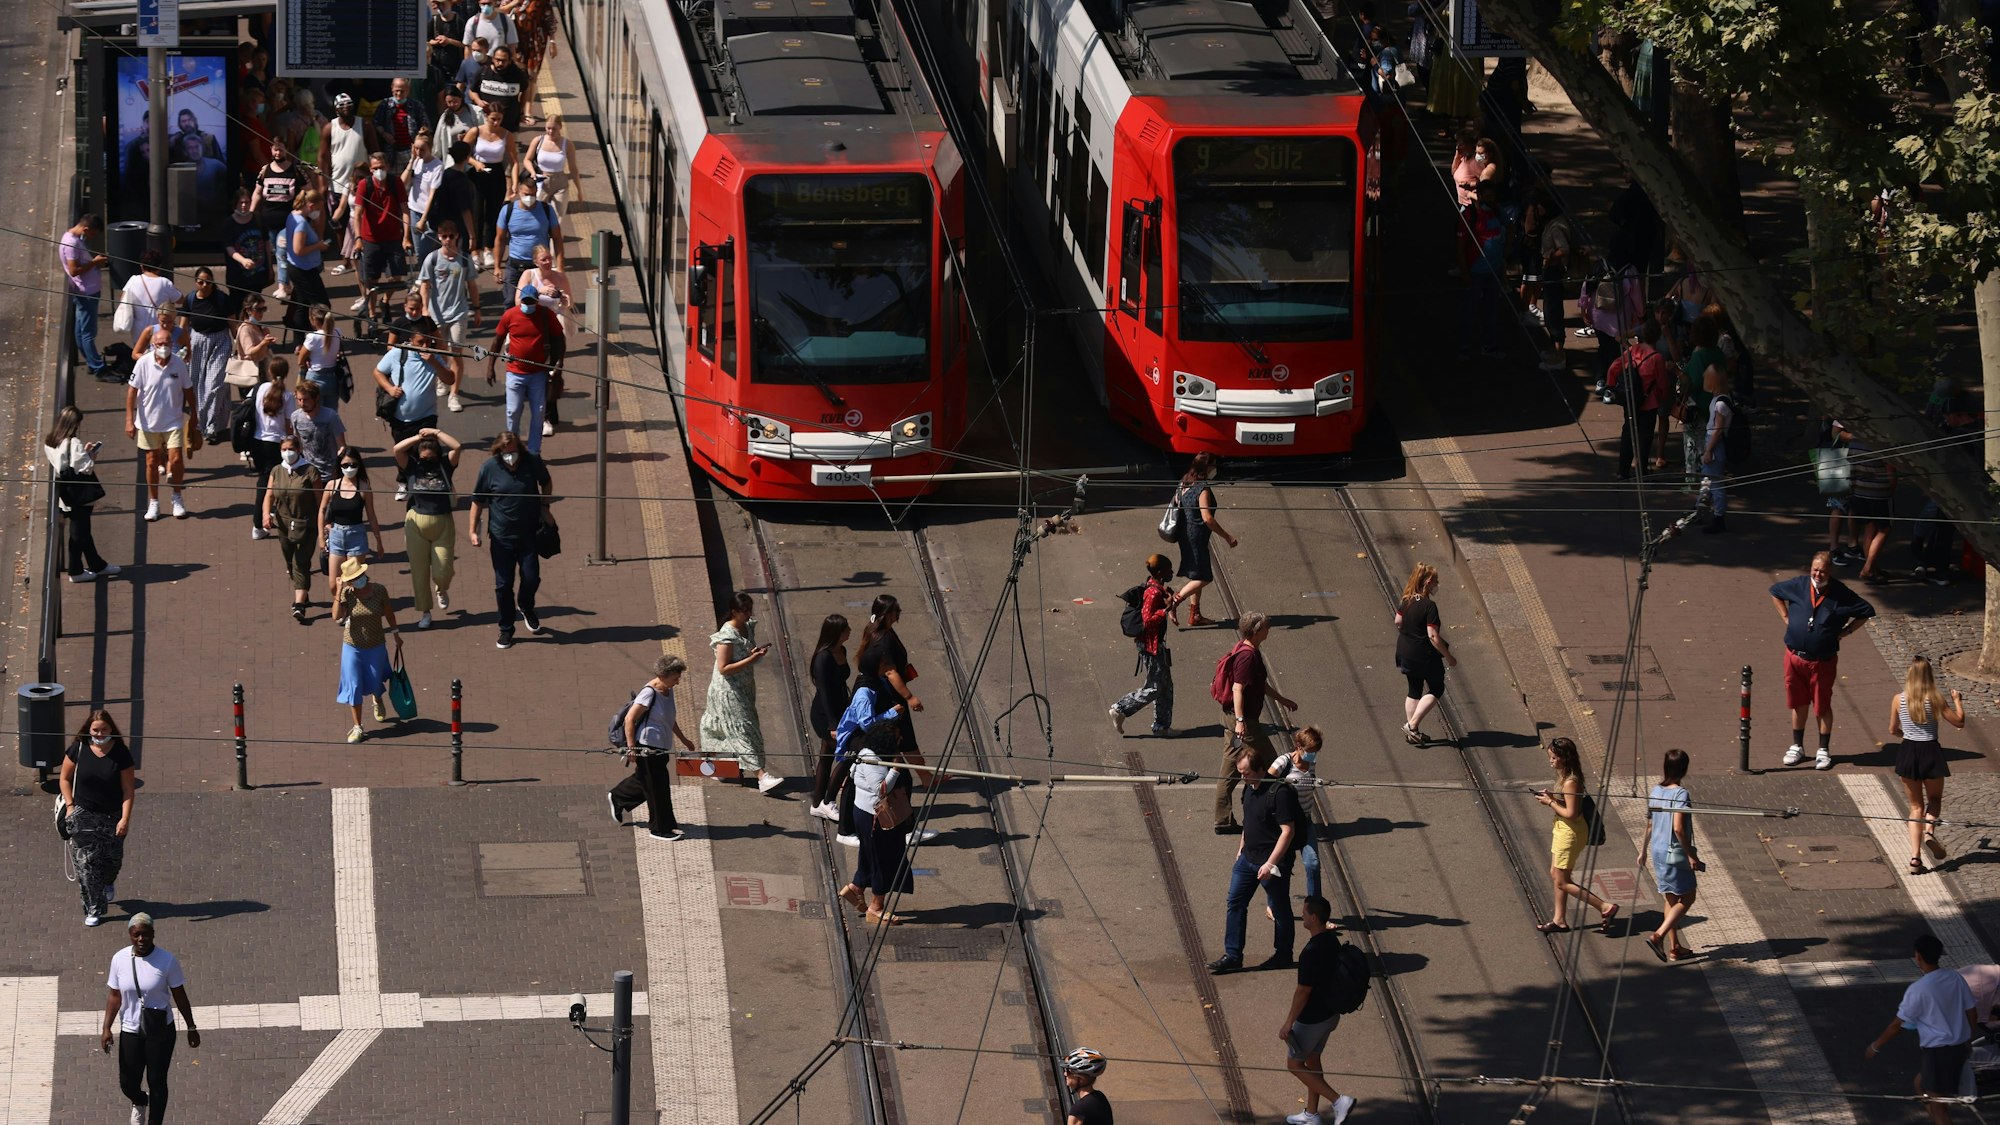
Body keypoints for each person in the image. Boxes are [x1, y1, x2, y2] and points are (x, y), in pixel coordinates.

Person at [1208, 740, 1306, 973]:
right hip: (1247, 859)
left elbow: (1288, 831)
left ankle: (1283, 954)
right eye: (1241, 773)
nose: (1243, 777)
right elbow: (1248, 822)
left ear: (1261, 769)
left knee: (1280, 909)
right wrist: (1241, 848)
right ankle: (1232, 955)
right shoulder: (1249, 789)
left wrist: (1270, 863)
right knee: (1235, 903)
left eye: (1247, 773)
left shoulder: (1279, 793)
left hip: (1271, 863)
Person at [1771, 551, 1876, 770]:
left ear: (1831, 572)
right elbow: (1775, 592)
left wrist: (1846, 632)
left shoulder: (1840, 593)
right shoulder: (1799, 585)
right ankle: (1797, 746)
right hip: (1794, 657)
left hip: (1822, 662)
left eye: (1823, 571)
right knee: (1798, 702)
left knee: (1821, 705)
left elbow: (1867, 611)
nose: (1818, 575)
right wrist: (1785, 618)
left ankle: (1823, 749)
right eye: (1815, 570)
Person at [1867, 934, 1977, 1125]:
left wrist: (1875, 1046)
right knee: (1920, 1084)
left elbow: (1896, 1025)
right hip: (1959, 1048)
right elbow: (1972, 1011)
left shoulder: (1918, 989)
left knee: (1938, 1106)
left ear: (1918, 956)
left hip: (1938, 1053)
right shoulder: (1955, 978)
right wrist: (1968, 1039)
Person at [100, 913, 200, 1124]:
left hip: (160, 1030)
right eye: (136, 935)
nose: (141, 939)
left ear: (153, 934)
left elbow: (180, 995)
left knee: (157, 1081)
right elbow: (114, 996)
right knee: (127, 1082)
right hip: (130, 1030)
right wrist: (106, 1028)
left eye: (145, 934)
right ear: (130, 935)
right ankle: (139, 1101)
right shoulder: (119, 959)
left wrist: (191, 1027)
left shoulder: (167, 961)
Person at [1213, 611, 1297, 834]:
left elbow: (1259, 684)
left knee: (1230, 769)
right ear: (1257, 631)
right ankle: (1278, 815)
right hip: (1244, 723)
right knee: (1274, 766)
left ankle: (1223, 820)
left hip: (1237, 720)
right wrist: (1241, 722)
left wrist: (1282, 699)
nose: (1269, 630)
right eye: (1267, 627)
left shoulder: (1246, 648)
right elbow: (1237, 688)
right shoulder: (1247, 656)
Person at [841, 721, 932, 925]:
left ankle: (856, 888)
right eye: (896, 739)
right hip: (875, 818)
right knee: (883, 860)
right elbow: (880, 790)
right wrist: (896, 769)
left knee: (869, 855)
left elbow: (853, 775)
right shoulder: (871, 760)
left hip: (864, 814)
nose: (900, 741)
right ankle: (876, 907)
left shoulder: (865, 752)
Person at [467, 429, 551, 649]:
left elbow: (546, 482)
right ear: (498, 451)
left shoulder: (531, 461)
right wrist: (473, 531)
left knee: (531, 577)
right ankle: (506, 629)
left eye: (513, 452)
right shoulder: (489, 468)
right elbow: (477, 501)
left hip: (529, 535)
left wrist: (544, 506)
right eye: (505, 452)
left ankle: (526, 605)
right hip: (501, 538)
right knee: (503, 585)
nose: (510, 456)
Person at [1280, 896, 1357, 1125]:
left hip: (1312, 1019)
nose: (1302, 915)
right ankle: (1311, 1114)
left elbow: (1303, 990)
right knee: (1312, 1060)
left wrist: (1288, 1022)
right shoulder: (1331, 940)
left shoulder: (1311, 951)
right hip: (1330, 1014)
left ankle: (1339, 1101)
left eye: (1304, 913)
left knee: (1294, 1064)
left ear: (1313, 918)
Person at [1533, 736, 1619, 934]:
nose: (1551, 761)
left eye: (1554, 758)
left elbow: (1572, 814)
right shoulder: (1567, 775)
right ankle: (1559, 920)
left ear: (1565, 758)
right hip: (1563, 830)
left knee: (1562, 881)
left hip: (1569, 833)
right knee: (1557, 875)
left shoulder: (1571, 781)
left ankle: (1605, 907)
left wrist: (1550, 803)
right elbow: (1571, 804)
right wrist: (1554, 798)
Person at [1891, 656, 1966, 875]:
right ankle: (1930, 832)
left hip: (1908, 751)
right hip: (1930, 751)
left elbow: (1892, 729)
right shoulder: (1935, 699)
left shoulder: (1898, 699)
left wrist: (1905, 734)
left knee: (1915, 807)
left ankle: (1915, 859)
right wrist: (1958, 700)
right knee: (1934, 799)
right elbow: (1959, 721)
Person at [60, 709, 136, 925]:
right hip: (83, 815)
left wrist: (125, 819)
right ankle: (94, 908)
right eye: (96, 730)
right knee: (86, 864)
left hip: (112, 816)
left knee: (111, 861)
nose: (100, 733)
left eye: (104, 729)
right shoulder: (78, 749)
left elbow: (128, 789)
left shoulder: (121, 753)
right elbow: (64, 779)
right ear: (88, 730)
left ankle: (107, 882)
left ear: (111, 729)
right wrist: (70, 805)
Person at [608, 655, 696, 840]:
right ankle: (659, 829)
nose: (678, 682)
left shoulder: (668, 689)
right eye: (675, 678)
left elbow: (669, 719)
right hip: (647, 747)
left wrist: (684, 739)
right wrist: (632, 749)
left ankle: (618, 797)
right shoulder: (649, 693)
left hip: (661, 746)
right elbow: (629, 720)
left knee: (645, 780)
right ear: (663, 675)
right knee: (658, 788)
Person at [702, 592, 782, 792]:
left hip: (744, 687)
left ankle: (718, 767)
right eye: (744, 610)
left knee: (722, 727)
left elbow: (743, 656)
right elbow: (723, 668)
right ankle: (761, 776)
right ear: (734, 612)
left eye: (749, 609)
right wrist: (751, 660)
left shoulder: (746, 627)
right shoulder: (727, 636)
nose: (748, 613)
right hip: (728, 691)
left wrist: (753, 654)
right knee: (741, 730)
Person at [393, 427, 463, 628]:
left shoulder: (445, 465)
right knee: (419, 571)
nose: (427, 461)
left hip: (442, 522)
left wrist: (437, 433)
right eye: (424, 457)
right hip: (416, 523)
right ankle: (425, 612)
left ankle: (441, 588)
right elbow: (397, 450)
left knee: (443, 570)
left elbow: (457, 446)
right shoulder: (412, 466)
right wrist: (418, 437)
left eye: (431, 457)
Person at [485, 282, 564, 453]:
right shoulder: (509, 315)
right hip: (515, 373)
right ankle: (513, 448)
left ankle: (534, 450)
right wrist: (490, 366)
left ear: (537, 301)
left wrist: (559, 364)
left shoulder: (546, 315)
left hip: (539, 374)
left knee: (539, 413)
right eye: (525, 302)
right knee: (513, 412)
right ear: (520, 300)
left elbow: (559, 338)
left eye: (531, 302)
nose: (528, 305)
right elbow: (497, 340)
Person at [1639, 748, 1701, 961]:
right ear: (1684, 769)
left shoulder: (1656, 791)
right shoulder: (1680, 794)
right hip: (1674, 852)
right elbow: (1678, 828)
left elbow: (1649, 824)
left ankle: (1675, 947)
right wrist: (1691, 854)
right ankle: (1658, 936)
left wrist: (1642, 851)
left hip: (1657, 850)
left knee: (1671, 898)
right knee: (1689, 896)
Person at [126, 331, 195, 522]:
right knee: (151, 462)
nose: (163, 347)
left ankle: (177, 496)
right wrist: (129, 419)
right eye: (159, 344)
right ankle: (154, 501)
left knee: (176, 459)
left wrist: (195, 416)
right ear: (153, 345)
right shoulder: (143, 364)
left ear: (171, 343)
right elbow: (132, 392)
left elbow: (188, 390)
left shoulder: (179, 364)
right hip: (148, 422)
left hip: (173, 421)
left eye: (166, 343)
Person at [45, 406, 119, 582]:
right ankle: (76, 571)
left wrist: (83, 455)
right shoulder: (73, 443)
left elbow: (65, 463)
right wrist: (91, 455)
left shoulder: (50, 440)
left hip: (65, 492)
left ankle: (97, 564)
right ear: (74, 424)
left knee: (82, 531)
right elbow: (86, 468)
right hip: (79, 494)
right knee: (79, 532)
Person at [332, 557, 402, 743]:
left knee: (375, 679)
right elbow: (336, 616)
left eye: (359, 576)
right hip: (352, 646)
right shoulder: (348, 594)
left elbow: (388, 612)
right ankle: (358, 726)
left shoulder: (379, 590)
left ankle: (377, 699)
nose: (358, 580)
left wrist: (396, 634)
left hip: (376, 644)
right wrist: (339, 590)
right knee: (354, 685)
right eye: (354, 578)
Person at [375, 318, 448, 494]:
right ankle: (403, 482)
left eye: (427, 341)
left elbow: (450, 379)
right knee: (402, 452)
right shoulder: (397, 354)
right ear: (410, 341)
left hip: (426, 416)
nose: (424, 346)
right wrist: (390, 389)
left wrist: (434, 362)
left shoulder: (434, 356)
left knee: (427, 452)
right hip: (400, 418)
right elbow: (378, 372)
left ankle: (429, 483)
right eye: (419, 342)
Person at [1109, 553, 1177, 736]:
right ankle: (1121, 708)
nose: (1172, 572)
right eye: (1169, 569)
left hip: (1156, 645)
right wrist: (1165, 610)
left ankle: (1162, 727)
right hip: (1151, 647)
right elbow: (1147, 621)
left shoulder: (1156, 587)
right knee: (1155, 687)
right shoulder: (1153, 592)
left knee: (1166, 686)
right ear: (1161, 572)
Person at [856, 593, 924, 771]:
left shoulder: (876, 630)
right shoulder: (883, 640)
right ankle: (925, 776)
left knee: (898, 736)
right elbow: (890, 671)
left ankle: (925, 776)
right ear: (887, 614)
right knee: (903, 735)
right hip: (890, 693)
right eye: (896, 610)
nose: (899, 612)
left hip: (884, 690)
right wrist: (910, 698)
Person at [418, 220, 479, 412]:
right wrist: (425, 310)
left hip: (458, 314)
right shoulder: (432, 259)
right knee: (439, 351)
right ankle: (442, 380)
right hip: (436, 315)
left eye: (451, 236)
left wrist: (477, 308)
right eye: (444, 236)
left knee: (455, 353)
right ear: (439, 237)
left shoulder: (464, 259)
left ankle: (454, 394)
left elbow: (472, 286)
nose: (447, 240)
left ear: (457, 237)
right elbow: (425, 285)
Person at [1393, 562, 1455, 746]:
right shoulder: (1429, 606)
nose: (1437, 584)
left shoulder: (1406, 600)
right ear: (1428, 582)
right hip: (1423, 655)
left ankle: (1413, 732)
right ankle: (1411, 726)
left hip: (1404, 651)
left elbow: (1398, 621)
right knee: (1437, 687)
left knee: (1414, 689)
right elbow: (1433, 636)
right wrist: (1449, 657)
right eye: (1436, 581)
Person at [319, 93, 380, 279]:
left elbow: (374, 150)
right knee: (339, 225)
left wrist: (376, 176)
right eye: (342, 106)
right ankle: (345, 260)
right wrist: (323, 182)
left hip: (362, 184)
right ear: (336, 109)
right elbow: (323, 156)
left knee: (366, 221)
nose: (346, 108)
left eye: (349, 105)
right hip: (337, 184)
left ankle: (368, 256)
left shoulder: (365, 125)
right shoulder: (329, 128)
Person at [514, 243, 573, 432]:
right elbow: (519, 300)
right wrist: (538, 293)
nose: (548, 262)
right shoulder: (529, 275)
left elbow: (570, 302)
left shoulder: (560, 276)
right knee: (540, 373)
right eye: (544, 259)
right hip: (535, 328)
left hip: (554, 329)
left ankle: (551, 411)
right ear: (536, 262)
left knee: (555, 371)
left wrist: (565, 301)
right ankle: (544, 417)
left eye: (549, 258)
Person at [264, 435, 323, 623]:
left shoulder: (310, 471)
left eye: (291, 448)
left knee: (301, 562)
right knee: (290, 562)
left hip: (307, 526)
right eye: (283, 449)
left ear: (298, 449)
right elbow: (269, 495)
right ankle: (303, 591)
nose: (287, 453)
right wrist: (266, 514)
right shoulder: (276, 470)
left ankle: (298, 605)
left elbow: (320, 501)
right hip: (283, 525)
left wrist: (324, 525)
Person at [1173, 452, 1236, 627]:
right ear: (1207, 468)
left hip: (1185, 534)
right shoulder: (1202, 489)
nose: (1215, 469)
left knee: (1197, 574)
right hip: (1197, 536)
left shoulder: (1185, 480)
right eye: (1214, 465)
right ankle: (1174, 601)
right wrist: (1227, 537)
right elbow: (1207, 518)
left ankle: (1195, 615)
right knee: (1205, 577)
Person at [1604, 320, 1670, 481]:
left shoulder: (1632, 350)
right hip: (1650, 403)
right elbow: (1662, 384)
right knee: (1645, 437)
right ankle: (1641, 471)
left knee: (1628, 433)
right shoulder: (1657, 358)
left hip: (1631, 400)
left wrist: (1611, 387)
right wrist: (1665, 398)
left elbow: (1614, 367)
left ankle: (1622, 471)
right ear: (1658, 337)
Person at [348, 151, 409, 321]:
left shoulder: (395, 183)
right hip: (371, 239)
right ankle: (373, 313)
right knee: (371, 281)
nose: (379, 171)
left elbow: (405, 211)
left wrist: (406, 237)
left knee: (396, 277)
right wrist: (358, 239)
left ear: (387, 167)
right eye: (375, 168)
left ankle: (386, 300)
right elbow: (358, 215)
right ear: (370, 169)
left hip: (392, 237)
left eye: (381, 167)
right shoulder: (364, 185)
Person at [319, 449, 386, 600]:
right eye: (345, 465)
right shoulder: (332, 485)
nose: (349, 468)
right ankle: (341, 608)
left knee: (352, 582)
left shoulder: (364, 487)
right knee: (333, 583)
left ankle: (351, 615)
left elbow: (372, 516)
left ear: (359, 465)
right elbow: (322, 511)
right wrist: (321, 538)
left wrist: (379, 541)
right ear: (340, 466)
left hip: (356, 537)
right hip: (336, 535)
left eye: (353, 464)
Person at [1268, 725, 1324, 900]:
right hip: (1284, 824)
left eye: (1316, 751)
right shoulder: (1282, 763)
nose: (1313, 754)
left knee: (1313, 864)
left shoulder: (1311, 762)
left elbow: (1307, 783)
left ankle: (1315, 909)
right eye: (1310, 750)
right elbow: (1266, 787)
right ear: (1299, 747)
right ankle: (1273, 904)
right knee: (1280, 867)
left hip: (1304, 822)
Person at [181, 268, 235, 444]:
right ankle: (199, 422)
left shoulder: (223, 299)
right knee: (195, 384)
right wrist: (182, 348)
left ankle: (211, 426)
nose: (205, 285)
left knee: (214, 384)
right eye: (201, 282)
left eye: (208, 282)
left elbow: (233, 325)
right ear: (195, 282)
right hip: (197, 342)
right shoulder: (190, 299)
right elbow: (183, 327)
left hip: (220, 341)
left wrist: (242, 348)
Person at [808, 614, 854, 820]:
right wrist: (832, 725)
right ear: (836, 632)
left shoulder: (841, 650)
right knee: (848, 754)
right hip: (825, 715)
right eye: (845, 629)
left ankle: (818, 803)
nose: (849, 631)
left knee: (826, 756)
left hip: (841, 711)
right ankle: (828, 801)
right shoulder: (823, 657)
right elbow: (824, 692)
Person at [245, 357, 295, 540]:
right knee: (273, 485)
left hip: (257, 442)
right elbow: (289, 425)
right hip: (277, 445)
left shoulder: (258, 389)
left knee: (264, 481)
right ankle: (261, 523)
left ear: (269, 372)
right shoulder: (288, 396)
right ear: (287, 373)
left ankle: (263, 520)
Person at [60, 211, 113, 381]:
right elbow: (74, 270)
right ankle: (98, 367)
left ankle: (92, 362)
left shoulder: (72, 238)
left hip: (84, 291)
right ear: (85, 229)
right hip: (87, 292)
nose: (91, 238)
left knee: (80, 330)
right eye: (92, 234)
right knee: (88, 333)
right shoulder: (72, 244)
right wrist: (95, 263)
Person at [493, 175, 563, 299]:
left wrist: (560, 267)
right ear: (518, 192)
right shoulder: (507, 210)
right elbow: (500, 239)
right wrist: (497, 267)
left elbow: (557, 238)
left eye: (533, 195)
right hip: (515, 267)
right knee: (511, 302)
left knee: (542, 303)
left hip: (540, 267)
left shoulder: (547, 210)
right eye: (526, 194)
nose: (529, 198)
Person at [463, 107, 516, 267]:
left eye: (499, 119)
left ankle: (488, 249)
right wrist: (475, 162)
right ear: (486, 116)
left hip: (496, 173)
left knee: (493, 213)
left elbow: (514, 161)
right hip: (477, 174)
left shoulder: (506, 134)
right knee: (476, 212)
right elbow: (462, 152)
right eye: (493, 118)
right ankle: (475, 250)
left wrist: (514, 183)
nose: (496, 122)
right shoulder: (476, 131)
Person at [282, 189, 333, 338]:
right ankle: (323, 337)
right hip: (303, 270)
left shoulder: (293, 215)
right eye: (318, 208)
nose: (318, 212)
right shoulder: (301, 224)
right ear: (310, 205)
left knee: (302, 305)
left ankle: (300, 340)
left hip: (297, 267)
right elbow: (299, 249)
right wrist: (319, 246)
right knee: (323, 306)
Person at [1848, 438, 1897, 582]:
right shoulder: (1881, 443)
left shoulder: (1854, 442)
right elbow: (1890, 471)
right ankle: (1868, 568)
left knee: (1869, 527)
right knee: (1885, 529)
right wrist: (1892, 488)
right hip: (1879, 492)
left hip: (1859, 491)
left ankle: (1873, 568)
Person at [523, 113, 583, 219]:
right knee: (537, 213)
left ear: (560, 127)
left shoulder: (567, 144)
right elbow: (527, 160)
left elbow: (573, 168)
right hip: (541, 181)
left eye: (554, 129)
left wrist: (579, 190)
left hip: (560, 182)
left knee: (558, 216)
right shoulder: (538, 140)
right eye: (548, 128)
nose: (550, 132)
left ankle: (554, 235)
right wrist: (532, 172)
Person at [224, 189, 273, 316]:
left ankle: (253, 330)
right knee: (238, 307)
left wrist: (270, 267)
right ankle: (239, 333)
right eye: (241, 203)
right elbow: (229, 248)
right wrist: (243, 260)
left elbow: (266, 243)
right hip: (238, 275)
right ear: (235, 204)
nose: (244, 205)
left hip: (257, 274)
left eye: (247, 202)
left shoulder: (258, 219)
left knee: (255, 306)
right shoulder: (229, 223)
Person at [403, 129, 447, 267]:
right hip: (414, 208)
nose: (418, 152)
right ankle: (424, 281)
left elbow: (432, 194)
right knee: (419, 251)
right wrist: (411, 161)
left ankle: (427, 281)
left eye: (422, 149)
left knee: (424, 251)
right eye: (416, 148)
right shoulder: (417, 162)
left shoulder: (437, 166)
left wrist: (423, 219)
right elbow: (402, 183)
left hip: (427, 213)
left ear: (430, 148)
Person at [1697, 364, 1733, 531]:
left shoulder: (1721, 403)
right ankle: (1700, 509)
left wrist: (1709, 450)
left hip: (1714, 443)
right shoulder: (1722, 398)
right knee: (1707, 480)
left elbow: (1717, 430)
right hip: (1712, 441)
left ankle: (1719, 518)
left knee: (1715, 483)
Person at [289, 379, 347, 480]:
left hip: (330, 474)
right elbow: (298, 444)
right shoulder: (295, 417)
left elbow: (341, 446)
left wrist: (339, 466)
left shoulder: (331, 416)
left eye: (306, 399)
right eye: (299, 400)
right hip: (308, 474)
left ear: (316, 398)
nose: (302, 404)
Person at [372, 77, 430, 171]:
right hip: (391, 152)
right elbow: (375, 123)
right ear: (392, 89)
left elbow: (425, 126)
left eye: (402, 91)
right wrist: (384, 134)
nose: (399, 94)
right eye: (397, 90)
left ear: (408, 90)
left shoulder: (416, 106)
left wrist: (419, 136)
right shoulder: (384, 105)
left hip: (411, 151)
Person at [472, 43, 532, 131]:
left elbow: (525, 90)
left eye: (504, 61)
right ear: (493, 59)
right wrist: (478, 101)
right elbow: (472, 90)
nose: (500, 63)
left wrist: (521, 110)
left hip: (509, 121)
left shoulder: (517, 75)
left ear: (509, 61)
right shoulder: (483, 72)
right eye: (497, 60)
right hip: (485, 121)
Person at [295, 305, 344, 407]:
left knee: (314, 413)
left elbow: (300, 361)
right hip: (332, 378)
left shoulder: (312, 337)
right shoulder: (337, 332)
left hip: (315, 379)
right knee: (331, 413)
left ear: (313, 319)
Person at [1062, 1048, 1114, 1125]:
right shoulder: (1100, 1097)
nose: (1065, 1074)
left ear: (1080, 1079)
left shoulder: (1078, 1110)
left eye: (1069, 1071)